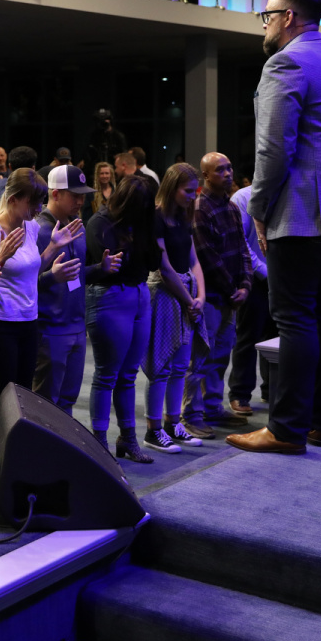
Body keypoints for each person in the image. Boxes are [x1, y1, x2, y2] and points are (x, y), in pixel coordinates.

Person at [232, 0, 321, 455]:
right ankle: (318, 424)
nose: (264, 25)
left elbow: (274, 150)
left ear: (288, 17)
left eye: (267, 16)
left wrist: (258, 208)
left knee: (293, 318)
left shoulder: (285, 62)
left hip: (302, 213)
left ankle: (286, 430)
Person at [0, 169, 80, 432]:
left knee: (22, 400)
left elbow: (31, 270)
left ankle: (13, 453)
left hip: (28, 323)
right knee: (1, 402)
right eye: (32, 202)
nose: (38, 209)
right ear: (13, 199)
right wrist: (1, 257)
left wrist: (54, 247)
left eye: (40, 202)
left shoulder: (30, 227)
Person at [181, 153, 252, 437]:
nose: (228, 173)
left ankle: (212, 407)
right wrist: (234, 289)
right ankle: (191, 415)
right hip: (210, 297)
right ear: (206, 176)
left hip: (230, 297)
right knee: (199, 359)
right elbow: (207, 258)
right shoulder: (200, 208)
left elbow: (243, 249)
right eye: (220, 169)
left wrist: (246, 284)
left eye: (229, 167)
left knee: (221, 357)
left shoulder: (232, 207)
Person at [142, 163, 207, 453]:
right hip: (165, 295)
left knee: (180, 365)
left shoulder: (183, 215)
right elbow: (164, 267)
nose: (192, 197)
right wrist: (189, 300)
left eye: (195, 191)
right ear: (172, 188)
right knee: (162, 366)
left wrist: (200, 297)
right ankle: (153, 429)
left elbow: (194, 261)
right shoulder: (156, 217)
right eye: (188, 191)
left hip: (186, 295)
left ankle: (173, 423)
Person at [85, 175, 150, 460]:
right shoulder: (99, 223)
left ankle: (128, 440)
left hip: (139, 294)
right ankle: (100, 444)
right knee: (106, 375)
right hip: (110, 296)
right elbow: (114, 268)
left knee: (129, 374)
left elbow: (151, 260)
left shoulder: (141, 223)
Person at [33, 165, 98, 415]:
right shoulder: (37, 230)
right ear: (55, 194)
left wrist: (101, 269)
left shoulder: (78, 227)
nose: (81, 201)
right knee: (45, 404)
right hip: (50, 330)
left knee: (68, 402)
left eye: (83, 195)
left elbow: (75, 276)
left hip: (76, 328)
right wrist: (51, 277)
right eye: (75, 195)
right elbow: (23, 283)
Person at [227, 179, 274, 420]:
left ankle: (271, 389)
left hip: (282, 277)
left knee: (276, 338)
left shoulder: (286, 195)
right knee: (247, 337)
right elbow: (241, 243)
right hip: (253, 277)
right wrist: (265, 272)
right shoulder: (242, 198)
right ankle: (240, 393)